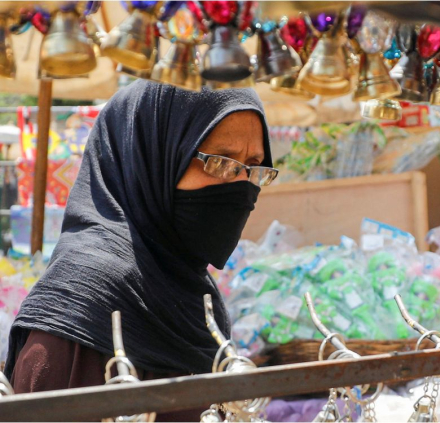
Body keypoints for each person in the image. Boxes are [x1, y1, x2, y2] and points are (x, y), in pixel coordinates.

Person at [4, 79, 278, 420]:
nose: (240, 187)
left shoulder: (191, 291)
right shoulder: (86, 301)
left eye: (253, 167)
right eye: (220, 162)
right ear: (149, 157)